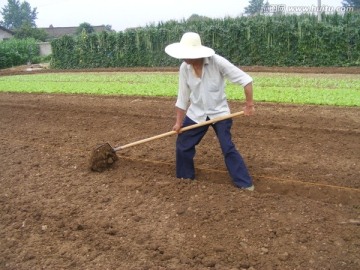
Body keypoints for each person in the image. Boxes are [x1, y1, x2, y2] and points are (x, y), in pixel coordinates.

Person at [165, 32, 255, 191]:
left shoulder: (217, 62)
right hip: (197, 113)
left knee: (227, 147)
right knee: (183, 144)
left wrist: (249, 104)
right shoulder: (184, 68)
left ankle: (245, 183)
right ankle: (185, 178)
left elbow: (246, 80)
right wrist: (178, 123)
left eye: (186, 54)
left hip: (220, 113)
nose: (183, 58)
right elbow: (182, 97)